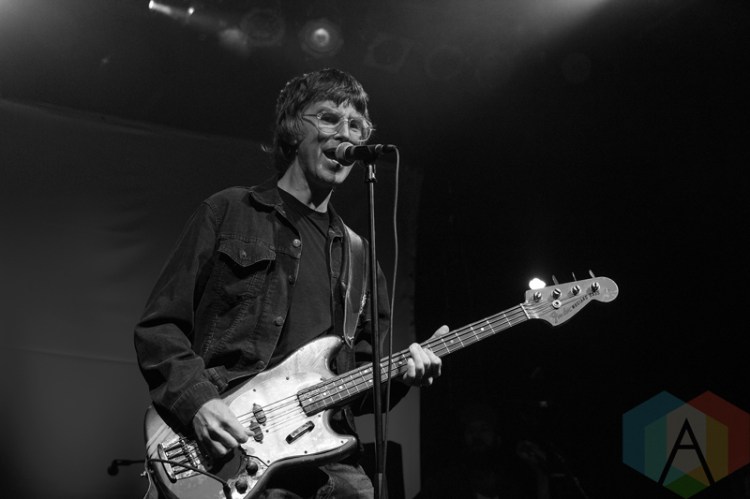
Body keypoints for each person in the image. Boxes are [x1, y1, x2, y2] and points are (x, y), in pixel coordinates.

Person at [134, 68, 447, 498]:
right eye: (330, 118)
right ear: (292, 128)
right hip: (228, 450)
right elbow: (159, 328)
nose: (346, 134)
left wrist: (403, 377)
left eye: (357, 125)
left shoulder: (361, 258)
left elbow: (359, 388)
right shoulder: (229, 212)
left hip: (331, 466)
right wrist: (198, 401)